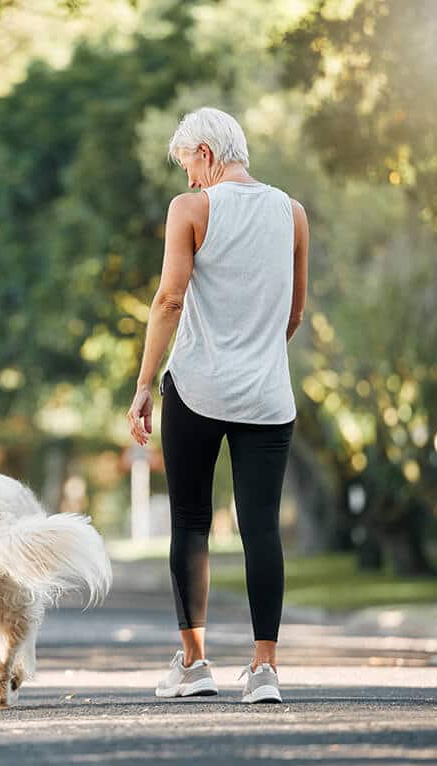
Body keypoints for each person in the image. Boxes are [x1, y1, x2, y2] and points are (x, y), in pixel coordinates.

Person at [127, 107, 309, 704]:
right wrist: (256, 357)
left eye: (188, 165)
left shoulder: (191, 209)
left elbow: (169, 300)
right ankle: (265, 669)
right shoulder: (292, 213)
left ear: (205, 153)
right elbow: (294, 314)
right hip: (268, 395)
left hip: (197, 389)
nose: (188, 179)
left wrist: (144, 384)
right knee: (261, 527)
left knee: (191, 521)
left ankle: (195, 663)